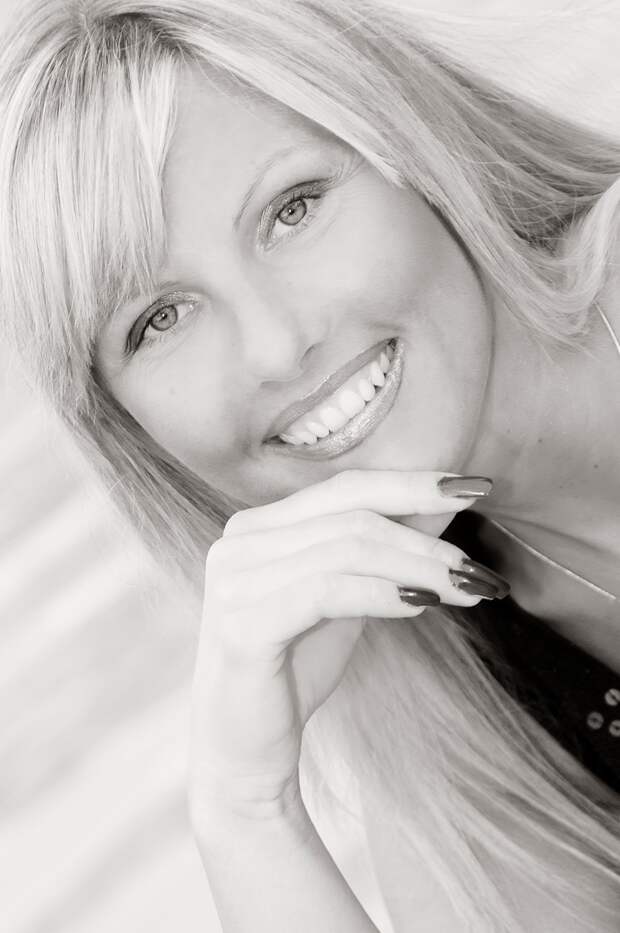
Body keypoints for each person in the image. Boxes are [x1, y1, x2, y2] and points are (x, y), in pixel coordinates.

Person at [0, 1, 618, 929]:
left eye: (292, 211)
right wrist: (247, 810)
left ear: (411, 142)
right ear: (136, 434)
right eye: (160, 320)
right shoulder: (452, 696)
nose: (277, 348)